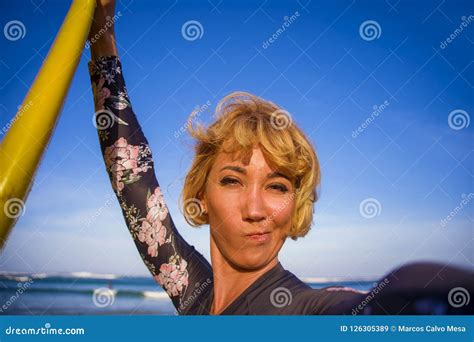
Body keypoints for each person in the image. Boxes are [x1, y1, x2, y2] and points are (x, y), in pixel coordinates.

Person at [87, 0, 473, 315]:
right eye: (233, 180)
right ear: (200, 196)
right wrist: (103, 36)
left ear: (295, 207)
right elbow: (131, 176)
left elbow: (389, 303)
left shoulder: (307, 311)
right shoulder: (193, 292)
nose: (255, 209)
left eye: (276, 186)